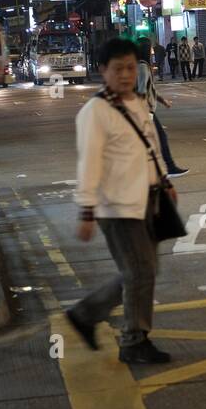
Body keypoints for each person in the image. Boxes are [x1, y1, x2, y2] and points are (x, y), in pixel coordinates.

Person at [66, 37, 174, 365]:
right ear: (103, 71)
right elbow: (89, 163)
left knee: (144, 270)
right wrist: (86, 210)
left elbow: (151, 147)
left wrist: (165, 179)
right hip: (117, 206)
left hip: (149, 200)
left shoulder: (138, 102)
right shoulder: (95, 112)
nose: (126, 75)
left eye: (130, 68)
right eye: (118, 69)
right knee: (140, 271)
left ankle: (86, 314)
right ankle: (133, 340)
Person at [136, 38, 188, 178]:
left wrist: (163, 100)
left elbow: (149, 89)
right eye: (150, 49)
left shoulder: (143, 65)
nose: (152, 51)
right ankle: (169, 168)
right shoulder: (142, 67)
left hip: (146, 110)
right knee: (158, 138)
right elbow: (141, 91)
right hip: (145, 110)